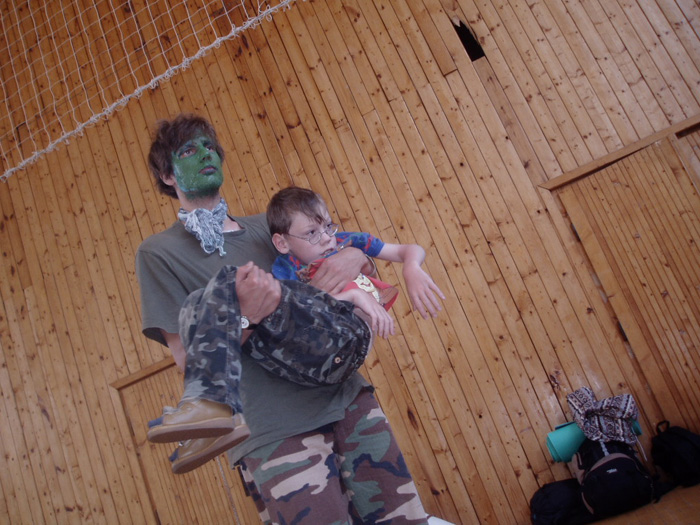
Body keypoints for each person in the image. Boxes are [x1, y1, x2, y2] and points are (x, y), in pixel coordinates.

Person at [136, 113, 443, 523]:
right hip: (274, 429)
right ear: (166, 174)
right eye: (189, 150)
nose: (206, 155)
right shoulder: (158, 253)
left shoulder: (270, 227)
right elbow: (187, 359)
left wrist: (356, 256)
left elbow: (341, 257)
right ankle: (199, 414)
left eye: (210, 147)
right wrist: (248, 317)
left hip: (346, 398)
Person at [268, 185, 444, 339]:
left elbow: (407, 250)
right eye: (311, 233)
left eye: (328, 226)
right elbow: (297, 311)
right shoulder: (285, 269)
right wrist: (354, 297)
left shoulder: (348, 240)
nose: (327, 238)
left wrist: (411, 267)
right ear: (282, 243)